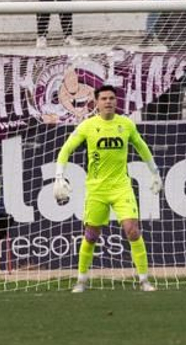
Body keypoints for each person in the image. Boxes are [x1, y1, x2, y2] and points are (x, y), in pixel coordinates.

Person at [53, 85, 162, 292]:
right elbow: (66, 149)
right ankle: (81, 280)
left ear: (116, 101)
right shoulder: (88, 126)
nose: (108, 102)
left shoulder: (126, 124)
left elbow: (142, 147)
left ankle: (144, 280)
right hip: (96, 189)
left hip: (121, 187)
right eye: (103, 98)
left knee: (132, 230)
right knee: (91, 235)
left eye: (111, 98)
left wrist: (155, 172)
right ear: (96, 102)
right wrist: (59, 176)